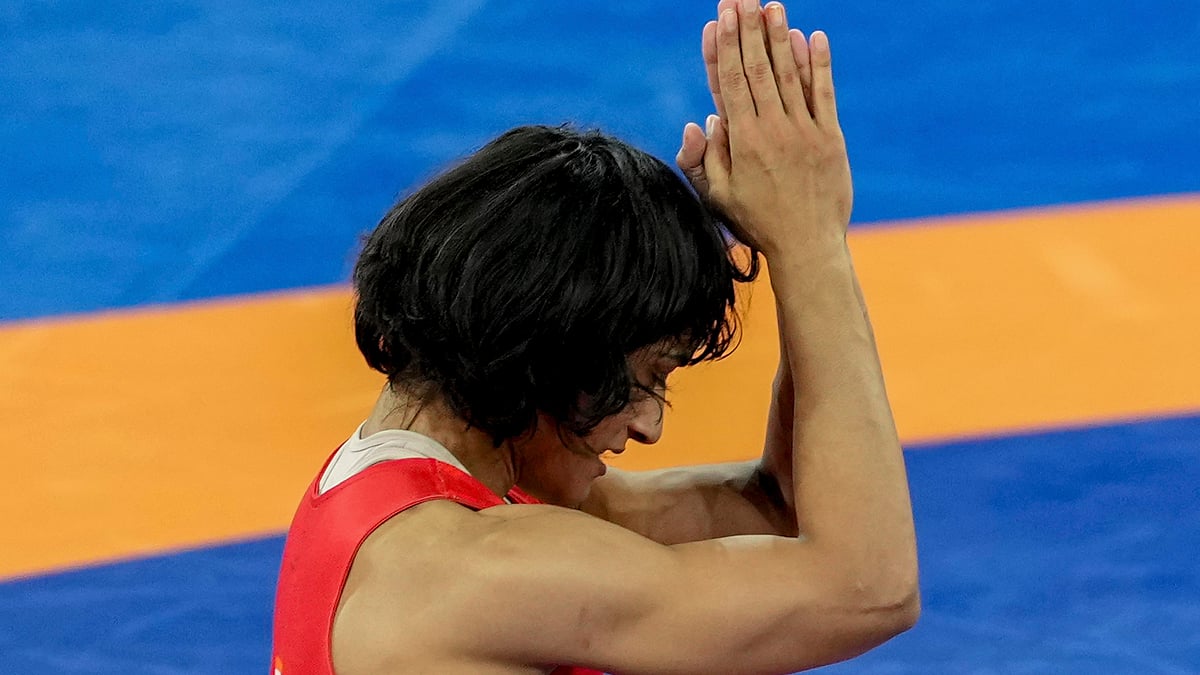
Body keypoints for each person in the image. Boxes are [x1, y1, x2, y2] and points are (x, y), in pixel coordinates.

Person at [272, 0, 919, 672]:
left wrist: (790, 243)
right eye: (651, 377)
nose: (648, 426)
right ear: (554, 351)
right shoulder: (472, 569)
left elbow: (781, 512)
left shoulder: (441, 486)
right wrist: (811, 243)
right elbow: (869, 588)